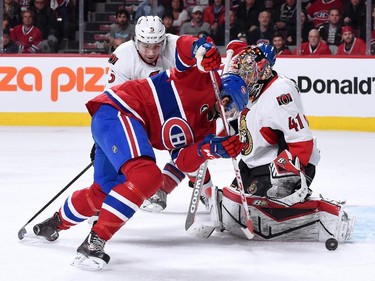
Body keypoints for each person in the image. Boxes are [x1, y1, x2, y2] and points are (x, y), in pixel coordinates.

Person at [32, 35, 247, 270]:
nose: (229, 114)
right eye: (231, 106)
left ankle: (54, 223)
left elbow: (182, 162)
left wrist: (211, 150)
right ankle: (95, 241)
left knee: (104, 192)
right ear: (224, 96)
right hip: (120, 111)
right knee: (147, 177)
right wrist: (200, 48)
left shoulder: (206, 128)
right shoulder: (202, 77)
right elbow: (184, 49)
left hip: (116, 123)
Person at [217, 43, 352, 243]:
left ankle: (300, 199)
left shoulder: (280, 93)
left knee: (262, 201)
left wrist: (288, 174)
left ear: (261, 69)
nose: (241, 78)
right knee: (235, 197)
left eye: (246, 73)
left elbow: (301, 141)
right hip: (255, 161)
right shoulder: (252, 87)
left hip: (284, 164)